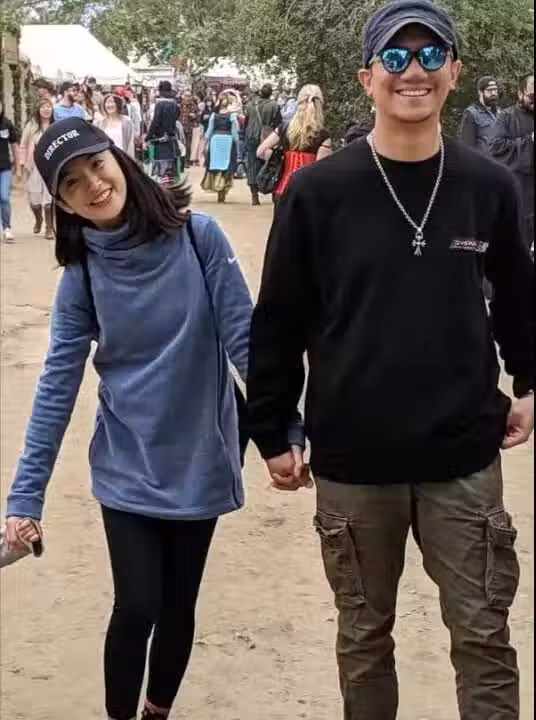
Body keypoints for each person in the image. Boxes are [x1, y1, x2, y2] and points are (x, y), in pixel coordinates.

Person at [246, 2, 534, 719]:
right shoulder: (316, 192)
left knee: (484, 636)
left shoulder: (488, 186)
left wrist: (530, 381)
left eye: (431, 55)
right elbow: (280, 319)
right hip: (353, 456)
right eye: (397, 57)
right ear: (367, 77)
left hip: (463, 453)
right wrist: (272, 429)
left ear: (455, 72)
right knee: (364, 639)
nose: (415, 71)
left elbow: (520, 298)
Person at [3, 117, 254, 720]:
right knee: (138, 604)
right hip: (128, 460)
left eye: (96, 164)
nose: (92, 185)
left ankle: (155, 712)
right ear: (63, 205)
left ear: (119, 158)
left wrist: (289, 430)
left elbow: (246, 342)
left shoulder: (199, 237)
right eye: (71, 183)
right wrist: (24, 499)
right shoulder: (83, 274)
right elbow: (57, 386)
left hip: (201, 454)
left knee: (178, 605)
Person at [257, 84, 332, 205]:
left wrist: (280, 159)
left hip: (282, 191)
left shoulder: (283, 128)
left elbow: (260, 151)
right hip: (308, 195)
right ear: (319, 104)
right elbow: (319, 171)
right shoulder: (323, 135)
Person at [489, 73, 534, 255]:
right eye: (532, 96)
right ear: (520, 93)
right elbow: (495, 148)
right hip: (520, 190)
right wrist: (529, 141)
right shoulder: (506, 117)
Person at [20, 98, 55, 239]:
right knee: (35, 201)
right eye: (43, 107)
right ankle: (38, 219)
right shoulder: (31, 126)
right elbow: (23, 145)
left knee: (49, 200)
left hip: (51, 167)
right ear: (38, 110)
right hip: (34, 167)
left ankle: (49, 227)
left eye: (48, 106)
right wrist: (22, 163)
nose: (46, 109)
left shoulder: (56, 126)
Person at [244, 83, 282, 205]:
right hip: (269, 138)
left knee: (252, 165)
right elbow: (279, 124)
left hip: (252, 138)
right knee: (272, 164)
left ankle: (254, 196)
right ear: (271, 93)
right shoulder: (275, 106)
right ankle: (273, 194)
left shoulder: (250, 105)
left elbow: (246, 123)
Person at [201, 94, 239, 204]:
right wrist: (236, 144)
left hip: (215, 141)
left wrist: (204, 145)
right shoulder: (232, 116)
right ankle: (222, 191)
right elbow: (234, 133)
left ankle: (217, 186)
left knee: (216, 166)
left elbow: (209, 131)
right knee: (226, 167)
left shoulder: (214, 115)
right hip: (228, 141)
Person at [146, 81, 181, 184]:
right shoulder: (174, 104)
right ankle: (170, 185)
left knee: (161, 166)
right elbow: (176, 118)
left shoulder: (160, 104)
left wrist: (148, 136)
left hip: (161, 138)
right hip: (172, 138)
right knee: (170, 165)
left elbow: (155, 122)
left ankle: (164, 186)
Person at [459, 76, 500, 153]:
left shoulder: (500, 113)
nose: (493, 93)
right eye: (489, 90)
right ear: (480, 92)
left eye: (495, 89)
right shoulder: (472, 113)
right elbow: (467, 146)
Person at [0, 100, 21, 243]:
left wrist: (18, 167)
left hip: (5, 168)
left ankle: (7, 228)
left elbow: (14, 146)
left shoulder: (7, 124)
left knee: (4, 197)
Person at [99, 94, 136, 158]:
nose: (109, 105)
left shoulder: (126, 121)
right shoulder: (101, 123)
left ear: (117, 104)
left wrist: (129, 159)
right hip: (107, 158)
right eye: (107, 102)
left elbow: (130, 144)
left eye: (112, 102)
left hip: (122, 157)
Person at [179, 89, 198, 168]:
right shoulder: (181, 104)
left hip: (189, 127)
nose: (187, 97)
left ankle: (186, 161)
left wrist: (194, 116)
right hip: (181, 127)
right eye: (186, 95)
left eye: (189, 96)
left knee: (188, 145)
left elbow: (197, 116)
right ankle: (181, 161)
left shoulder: (194, 106)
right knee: (181, 144)